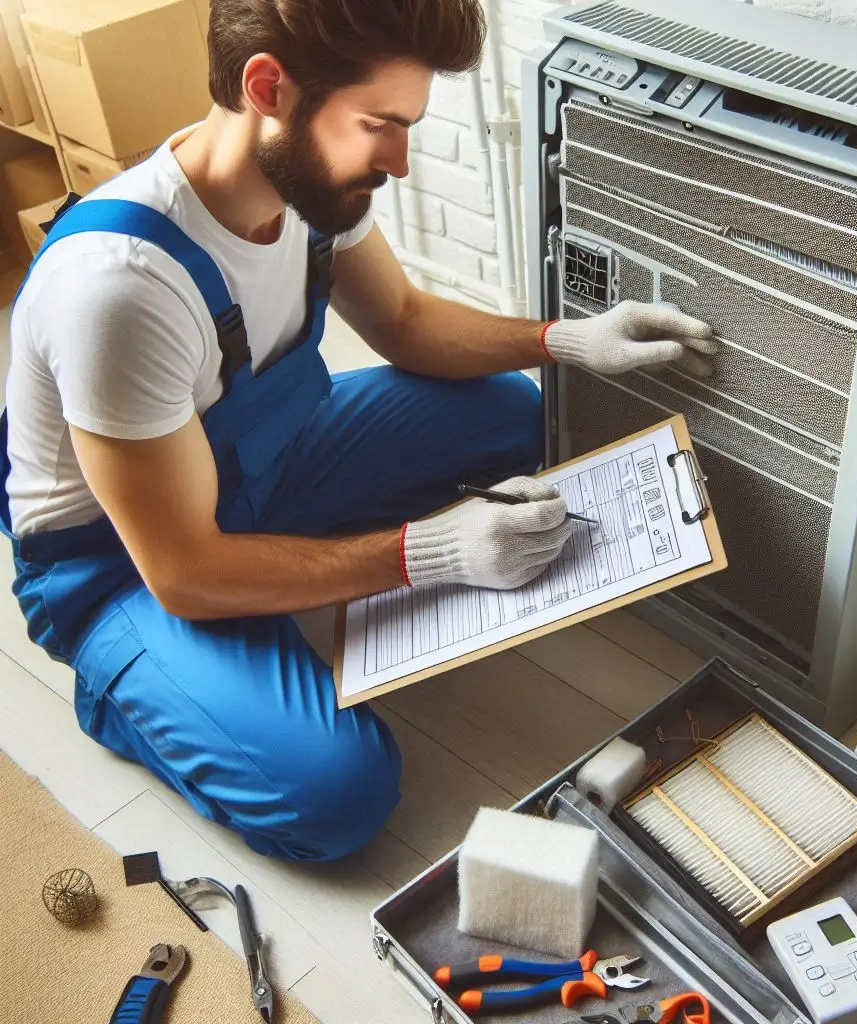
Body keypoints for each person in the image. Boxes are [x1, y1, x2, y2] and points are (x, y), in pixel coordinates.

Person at [1, 0, 717, 861]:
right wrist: (431, 552)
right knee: (336, 796)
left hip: (265, 468)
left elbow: (406, 321)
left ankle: (285, 567)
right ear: (267, 87)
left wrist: (561, 341)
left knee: (510, 413)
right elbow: (185, 570)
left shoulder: (309, 192)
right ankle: (129, 683)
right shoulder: (121, 288)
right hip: (129, 567)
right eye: (379, 126)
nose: (401, 163)